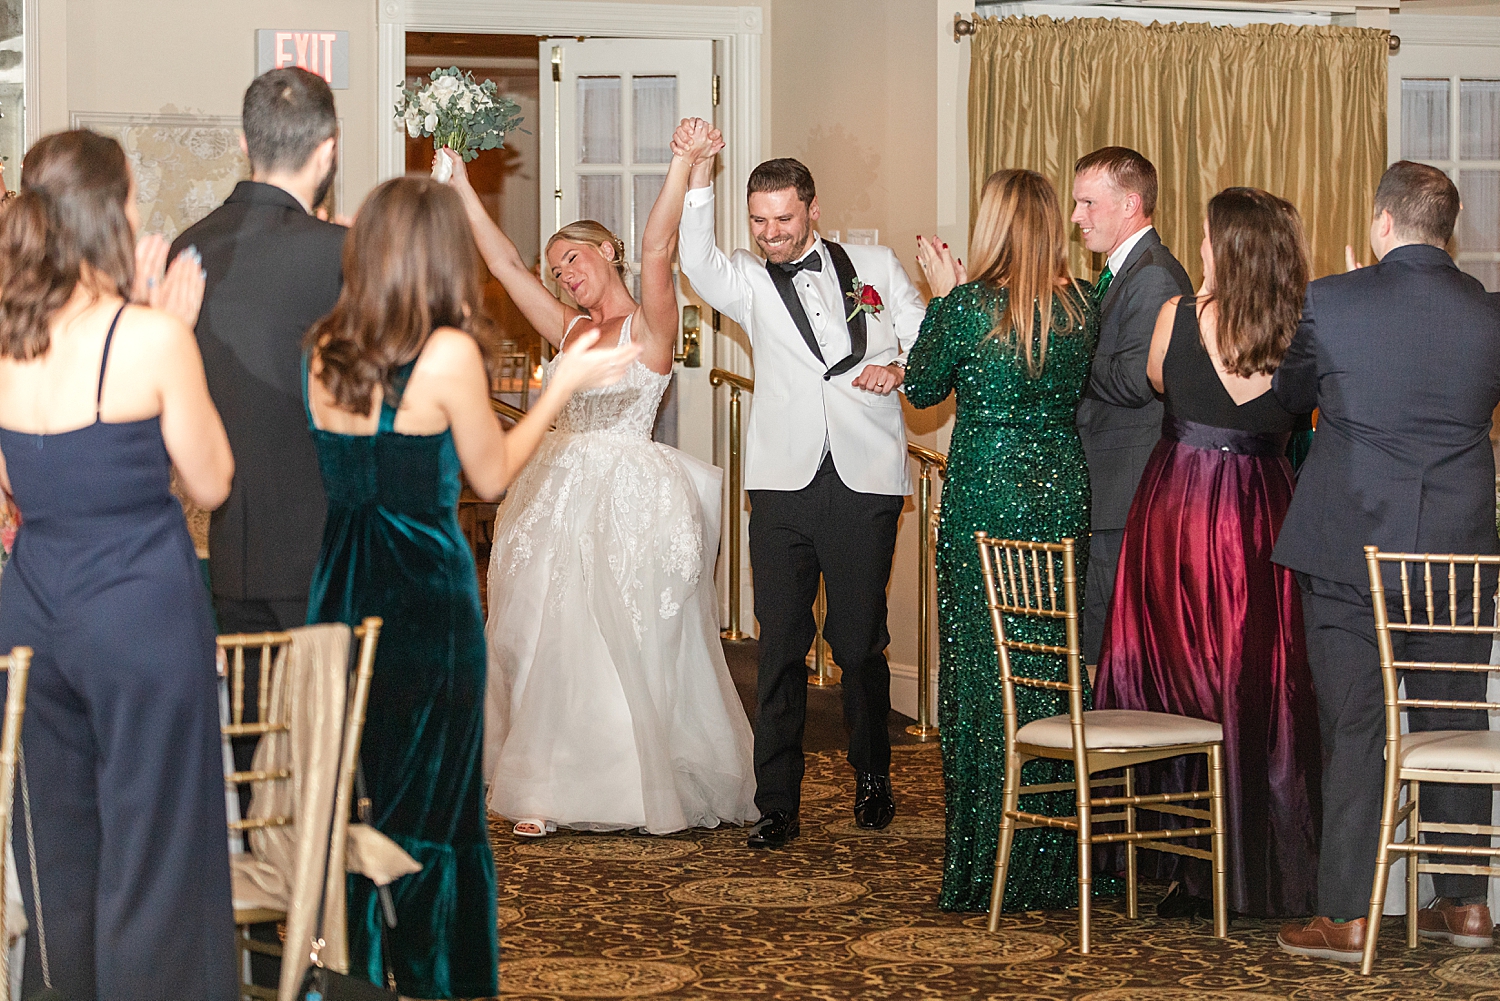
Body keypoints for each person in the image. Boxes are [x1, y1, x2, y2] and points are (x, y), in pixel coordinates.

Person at [304, 175, 639, 996]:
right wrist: (561, 385)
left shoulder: (323, 344)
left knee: (358, 782)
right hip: (422, 585)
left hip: (342, 578)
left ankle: (357, 968)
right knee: (437, 795)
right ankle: (436, 974)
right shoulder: (446, 350)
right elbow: (489, 476)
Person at [445, 121, 758, 838]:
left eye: (574, 258)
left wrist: (682, 164)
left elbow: (659, 247)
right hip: (555, 493)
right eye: (556, 267)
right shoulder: (566, 330)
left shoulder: (649, 324)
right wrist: (461, 184)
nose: (564, 273)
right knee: (546, 634)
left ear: (606, 251)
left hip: (629, 497)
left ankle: (629, 781)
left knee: (620, 638)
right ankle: (545, 786)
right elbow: (501, 266)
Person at [0, 130, 236, 999]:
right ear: (109, 212)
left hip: (28, 611)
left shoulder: (6, 334)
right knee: (155, 848)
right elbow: (212, 479)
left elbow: (15, 486)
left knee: (55, 846)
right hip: (136, 607)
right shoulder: (148, 338)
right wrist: (170, 331)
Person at [1274, 162, 1500, 962]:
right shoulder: (1491, 315)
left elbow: (1285, 394)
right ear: (1448, 231)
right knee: (1452, 720)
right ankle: (1466, 906)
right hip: (1458, 554)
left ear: (1381, 223)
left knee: (1357, 724)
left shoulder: (1332, 300)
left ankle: (1347, 913)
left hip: (1347, 549)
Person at [677, 139, 926, 850]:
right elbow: (697, 262)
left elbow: (922, 335)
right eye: (758, 222)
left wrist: (900, 369)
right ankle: (776, 802)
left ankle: (873, 773)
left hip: (864, 481)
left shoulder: (873, 268)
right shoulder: (749, 283)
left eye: (782, 220)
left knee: (858, 641)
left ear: (812, 211)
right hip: (782, 486)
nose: (770, 234)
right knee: (780, 642)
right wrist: (699, 176)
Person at [1094, 188, 1323, 921]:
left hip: (1179, 513)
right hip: (1262, 513)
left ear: (1228, 248)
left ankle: (1180, 860)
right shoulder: (1302, 334)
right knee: (1261, 677)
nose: (1196, 248)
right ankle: (1263, 865)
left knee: (1177, 678)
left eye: (1205, 238)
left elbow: (1163, 381)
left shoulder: (1176, 318)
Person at [906, 169, 1101, 912]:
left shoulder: (965, 309)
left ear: (991, 225)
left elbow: (921, 389)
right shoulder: (1085, 305)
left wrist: (941, 293)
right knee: (1051, 660)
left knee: (983, 672)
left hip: (984, 491)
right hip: (1058, 490)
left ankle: (989, 861)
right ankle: (1054, 858)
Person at [173, 66, 346, 638]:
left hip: (230, 550)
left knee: (250, 723)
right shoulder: (345, 255)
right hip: (326, 546)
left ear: (246, 144)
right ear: (327, 152)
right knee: (329, 727)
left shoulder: (188, 249)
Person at [1071, 147, 1193, 666]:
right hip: (1112, 486)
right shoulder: (1126, 271)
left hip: (1126, 488)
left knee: (1112, 643)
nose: (1076, 217)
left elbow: (1133, 381)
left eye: (1087, 204)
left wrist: (1070, 343)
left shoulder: (1153, 276)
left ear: (1130, 205)